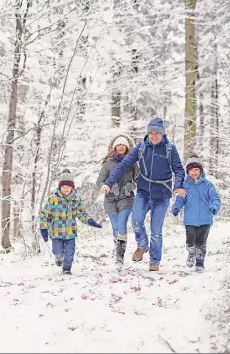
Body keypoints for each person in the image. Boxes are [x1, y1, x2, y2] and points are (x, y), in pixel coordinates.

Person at [100, 117, 186, 271]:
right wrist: (109, 182)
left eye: (157, 133)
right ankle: (142, 245)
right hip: (144, 192)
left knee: (156, 230)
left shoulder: (170, 149)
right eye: (151, 132)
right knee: (136, 220)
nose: (153, 136)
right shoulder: (141, 147)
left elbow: (179, 170)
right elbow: (123, 165)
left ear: (162, 134)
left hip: (162, 194)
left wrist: (178, 186)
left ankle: (154, 261)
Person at [39, 169, 102, 275]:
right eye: (63, 187)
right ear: (60, 187)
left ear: (72, 186)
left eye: (68, 186)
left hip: (70, 232)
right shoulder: (53, 200)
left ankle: (67, 268)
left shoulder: (76, 200)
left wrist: (90, 221)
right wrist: (44, 228)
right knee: (57, 250)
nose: (66, 189)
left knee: (70, 252)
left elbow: (81, 213)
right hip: (56, 232)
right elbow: (45, 214)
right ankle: (58, 257)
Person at [171, 155, 221, 272]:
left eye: (197, 170)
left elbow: (215, 198)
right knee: (190, 242)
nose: (194, 172)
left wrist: (214, 207)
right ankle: (191, 253)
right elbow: (180, 199)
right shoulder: (185, 186)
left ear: (201, 171)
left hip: (205, 219)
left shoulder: (208, 185)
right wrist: (176, 208)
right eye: (192, 170)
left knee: (201, 244)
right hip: (190, 220)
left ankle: (199, 264)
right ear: (188, 171)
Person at [96, 134, 137, 266]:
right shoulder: (107, 164)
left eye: (123, 145)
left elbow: (139, 180)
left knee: (122, 224)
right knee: (115, 228)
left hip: (126, 198)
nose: (121, 147)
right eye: (118, 145)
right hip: (111, 199)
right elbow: (99, 182)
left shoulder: (132, 163)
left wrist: (132, 185)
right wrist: (107, 186)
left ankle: (119, 256)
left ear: (126, 148)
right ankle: (118, 248)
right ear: (114, 147)